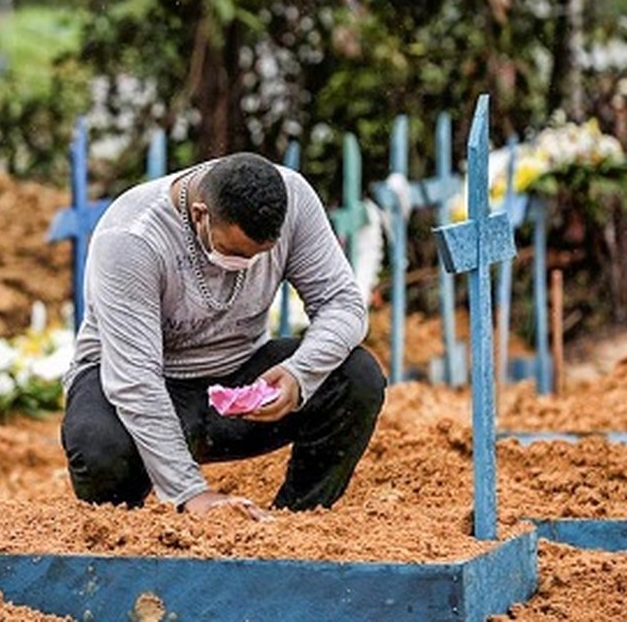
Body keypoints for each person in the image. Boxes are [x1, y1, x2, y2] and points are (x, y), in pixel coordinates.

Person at [60, 152, 385, 519]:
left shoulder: (295, 199)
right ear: (200, 214)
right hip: (138, 385)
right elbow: (134, 379)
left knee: (357, 376)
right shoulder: (132, 238)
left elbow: (344, 304)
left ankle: (294, 524)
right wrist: (191, 493)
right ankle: (127, 539)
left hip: (235, 381)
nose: (245, 263)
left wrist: (300, 372)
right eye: (234, 252)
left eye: (259, 255)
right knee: (99, 446)